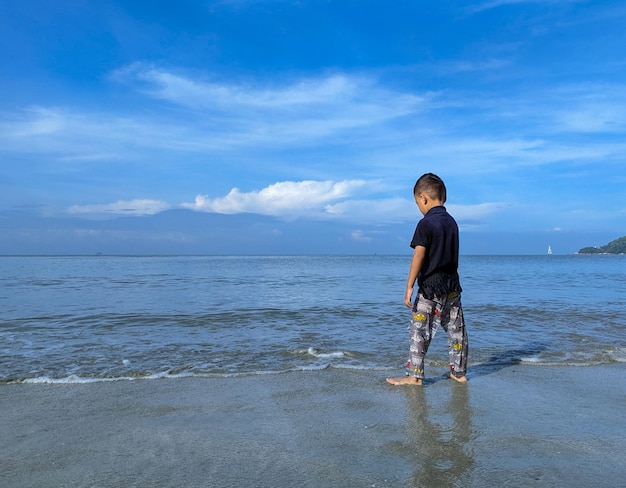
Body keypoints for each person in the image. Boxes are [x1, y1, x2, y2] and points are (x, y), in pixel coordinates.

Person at [387, 173, 468, 386]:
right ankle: (459, 373)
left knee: (419, 332)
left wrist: (409, 285)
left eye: (417, 203)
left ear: (423, 198)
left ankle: (414, 376)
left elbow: (419, 255)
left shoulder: (425, 223)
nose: (419, 207)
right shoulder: (452, 223)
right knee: (456, 331)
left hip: (430, 288)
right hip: (452, 287)